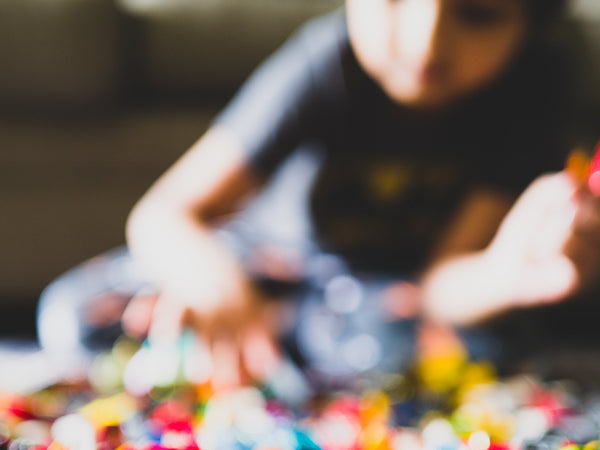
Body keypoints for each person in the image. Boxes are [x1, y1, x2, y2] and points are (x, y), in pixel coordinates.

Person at [38, 0, 600, 388]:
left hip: (381, 293)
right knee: (74, 317)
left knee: (458, 345)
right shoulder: (322, 62)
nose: (427, 40)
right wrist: (216, 286)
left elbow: (440, 287)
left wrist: (508, 274)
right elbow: (163, 215)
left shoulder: (534, 85)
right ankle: (282, 338)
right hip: (260, 263)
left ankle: (289, 341)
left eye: (478, 13)